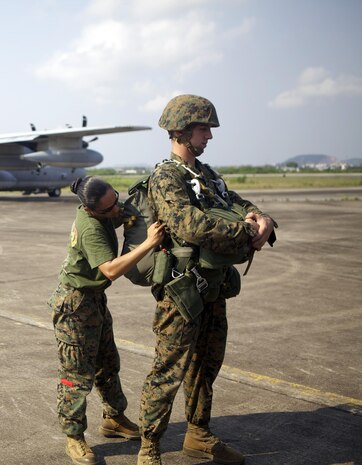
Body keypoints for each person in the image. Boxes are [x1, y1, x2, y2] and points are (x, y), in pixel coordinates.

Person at [136, 95, 277, 465]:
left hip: (213, 287)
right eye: (204, 128)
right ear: (181, 131)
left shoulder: (207, 175)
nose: (210, 135)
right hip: (182, 290)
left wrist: (259, 217)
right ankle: (149, 446)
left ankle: (198, 435)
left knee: (206, 365)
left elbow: (236, 201)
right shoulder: (166, 177)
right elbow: (189, 225)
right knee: (168, 369)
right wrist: (244, 233)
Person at [49, 176, 165, 465]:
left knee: (108, 364)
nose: (117, 209)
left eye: (116, 199)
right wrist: (148, 243)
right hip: (75, 306)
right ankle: (74, 437)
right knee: (76, 376)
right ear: (91, 210)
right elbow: (111, 270)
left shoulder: (105, 210)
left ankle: (114, 419)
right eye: (109, 208)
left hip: (94, 300)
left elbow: (125, 214)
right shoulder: (90, 227)